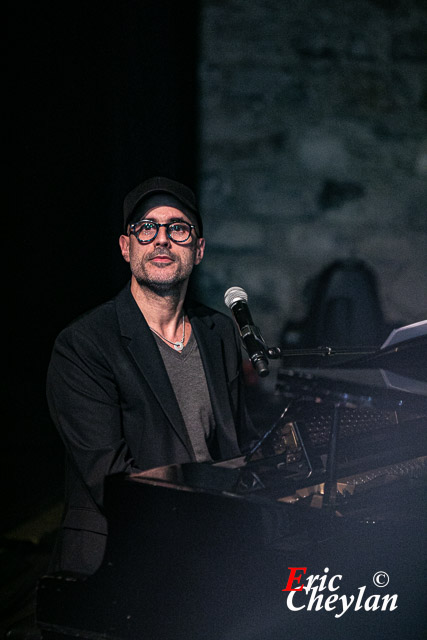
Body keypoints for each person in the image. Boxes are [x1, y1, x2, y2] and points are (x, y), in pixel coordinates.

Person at [46, 176, 257, 575]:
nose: (162, 239)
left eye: (178, 228)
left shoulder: (221, 332)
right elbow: (111, 478)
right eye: (146, 228)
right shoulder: (84, 344)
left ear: (198, 250)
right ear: (127, 248)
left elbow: (237, 447)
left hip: (217, 548)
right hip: (122, 560)